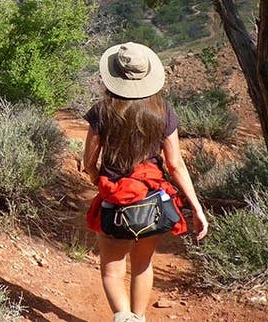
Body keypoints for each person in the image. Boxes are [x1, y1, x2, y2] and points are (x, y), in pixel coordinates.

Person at [82, 42, 209, 322]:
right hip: (152, 202)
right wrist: (197, 208)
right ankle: (138, 318)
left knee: (112, 270)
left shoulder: (101, 111)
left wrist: (98, 181)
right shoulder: (163, 112)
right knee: (142, 265)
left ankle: (122, 317)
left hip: (115, 202)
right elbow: (175, 164)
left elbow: (88, 162)